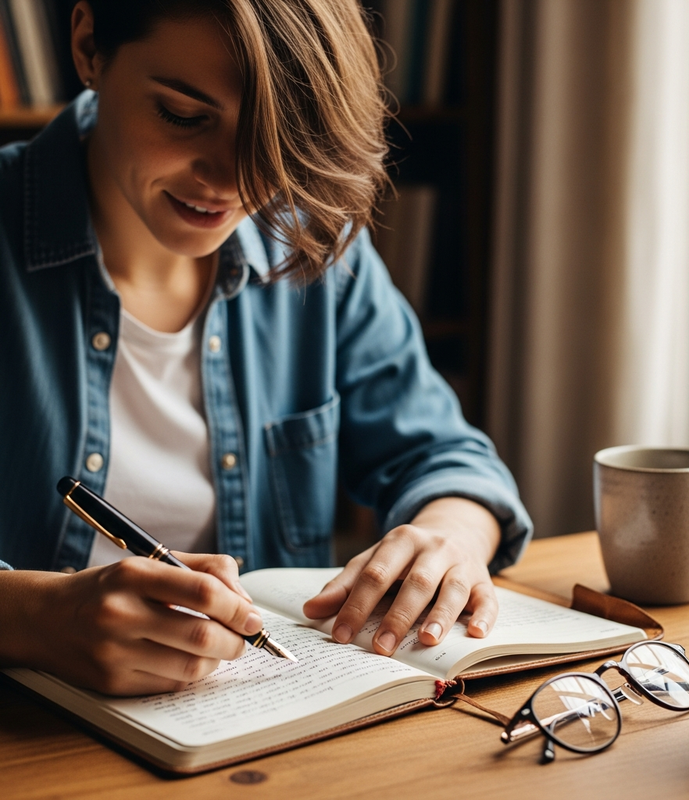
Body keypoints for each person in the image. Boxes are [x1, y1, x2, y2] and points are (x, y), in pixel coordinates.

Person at [0, 0, 532, 696]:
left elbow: (445, 455)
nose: (231, 179)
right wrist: (30, 618)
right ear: (90, 44)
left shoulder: (311, 248)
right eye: (185, 116)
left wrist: (451, 536)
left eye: (275, 134)